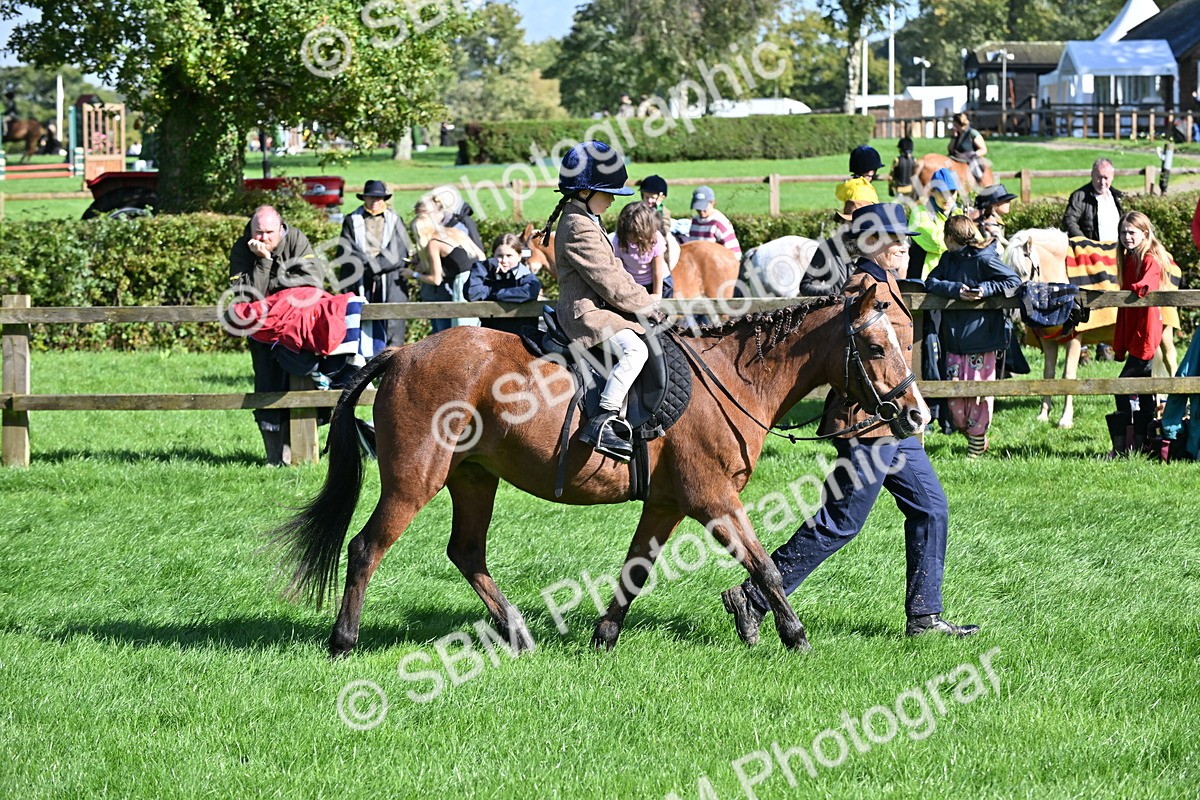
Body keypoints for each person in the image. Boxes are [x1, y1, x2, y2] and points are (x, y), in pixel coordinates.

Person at [719, 202, 979, 645]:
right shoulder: (862, 287)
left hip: (893, 425)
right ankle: (754, 596)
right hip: (866, 424)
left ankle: (924, 616)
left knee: (931, 507)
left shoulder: (884, 281)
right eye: (894, 240)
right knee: (841, 521)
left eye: (903, 239)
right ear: (870, 244)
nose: (904, 247)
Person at [545, 140, 663, 462]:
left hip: (600, 307)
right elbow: (607, 280)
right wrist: (645, 305)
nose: (612, 200)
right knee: (635, 349)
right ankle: (605, 419)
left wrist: (644, 298)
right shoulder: (577, 225)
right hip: (585, 312)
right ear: (584, 191)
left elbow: (616, 270)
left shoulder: (586, 218)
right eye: (607, 193)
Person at [227, 205, 324, 466]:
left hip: (296, 330)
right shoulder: (242, 248)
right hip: (261, 332)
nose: (263, 238)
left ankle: (300, 454)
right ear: (250, 229)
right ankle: (274, 458)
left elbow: (313, 281)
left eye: (270, 232)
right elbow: (247, 295)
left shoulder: (296, 240)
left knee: (304, 385)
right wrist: (263, 262)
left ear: (281, 229)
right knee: (267, 388)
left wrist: (275, 286)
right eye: (258, 232)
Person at [925, 216, 1022, 457]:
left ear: (949, 237)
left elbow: (1013, 280)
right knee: (955, 398)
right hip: (954, 340)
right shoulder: (947, 259)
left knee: (979, 395)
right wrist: (955, 290)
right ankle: (972, 437)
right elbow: (931, 281)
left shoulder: (984, 257)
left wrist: (986, 290)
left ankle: (975, 449)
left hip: (982, 338)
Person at [1105, 211, 1170, 457]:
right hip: (1134, 328)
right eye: (1123, 232)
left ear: (1144, 233)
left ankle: (1123, 446)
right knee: (1143, 389)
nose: (1126, 237)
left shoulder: (1149, 257)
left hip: (1146, 331)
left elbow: (1149, 282)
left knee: (1122, 386)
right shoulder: (1128, 258)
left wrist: (1137, 288)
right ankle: (1141, 446)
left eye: (1131, 232)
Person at [334, 179, 410, 347]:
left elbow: (399, 250)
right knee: (360, 324)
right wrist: (368, 265)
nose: (375, 202)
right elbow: (347, 248)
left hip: (389, 279)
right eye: (371, 198)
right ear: (364, 198)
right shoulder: (351, 220)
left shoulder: (395, 220)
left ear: (384, 199)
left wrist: (377, 266)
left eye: (379, 198)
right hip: (361, 278)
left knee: (391, 324)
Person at [403, 198, 486, 333]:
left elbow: (436, 280)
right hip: (477, 278)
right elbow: (481, 255)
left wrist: (413, 274)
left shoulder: (434, 243)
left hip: (462, 283)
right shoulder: (454, 231)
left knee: (461, 330)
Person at [466, 233, 542, 335]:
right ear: (493, 256)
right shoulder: (485, 271)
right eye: (499, 256)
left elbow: (528, 292)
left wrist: (493, 292)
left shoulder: (524, 273)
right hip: (490, 335)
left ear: (519, 256)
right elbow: (472, 293)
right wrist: (485, 267)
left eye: (509, 256)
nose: (504, 261)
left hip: (522, 336)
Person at [907, 167, 965, 278]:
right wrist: (964, 243)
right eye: (942, 192)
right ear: (932, 191)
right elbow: (937, 242)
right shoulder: (919, 212)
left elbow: (977, 240)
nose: (947, 197)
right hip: (925, 280)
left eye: (951, 192)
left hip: (955, 278)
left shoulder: (960, 212)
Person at [612, 200, 672, 298]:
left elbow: (657, 271)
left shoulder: (655, 239)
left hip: (659, 282)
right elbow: (620, 268)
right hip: (635, 283)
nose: (635, 238)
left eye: (638, 234)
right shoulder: (618, 240)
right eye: (631, 233)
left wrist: (657, 294)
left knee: (661, 309)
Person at [1063, 158, 1124, 242]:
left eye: (1106, 178)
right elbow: (1069, 221)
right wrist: (1085, 243)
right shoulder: (1080, 196)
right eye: (1099, 177)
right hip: (1092, 251)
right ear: (1092, 175)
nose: (1102, 182)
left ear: (1112, 177)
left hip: (1116, 250)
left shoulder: (1118, 197)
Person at [638, 174, 679, 270]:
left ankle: (667, 269)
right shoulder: (639, 209)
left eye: (652, 198)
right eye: (646, 197)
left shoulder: (664, 211)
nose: (649, 201)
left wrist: (658, 206)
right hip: (641, 238)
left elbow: (664, 229)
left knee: (669, 242)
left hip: (658, 238)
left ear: (661, 197)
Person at [688, 185, 742, 257]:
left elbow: (734, 254)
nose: (701, 211)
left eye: (704, 207)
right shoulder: (695, 221)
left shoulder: (719, 223)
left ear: (712, 203)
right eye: (698, 208)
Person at [948, 112, 988, 182]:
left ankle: (980, 181)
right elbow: (950, 149)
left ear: (957, 123)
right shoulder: (957, 134)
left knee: (977, 170)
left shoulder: (972, 133)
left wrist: (973, 154)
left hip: (970, 158)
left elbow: (983, 149)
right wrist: (954, 137)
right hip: (956, 157)